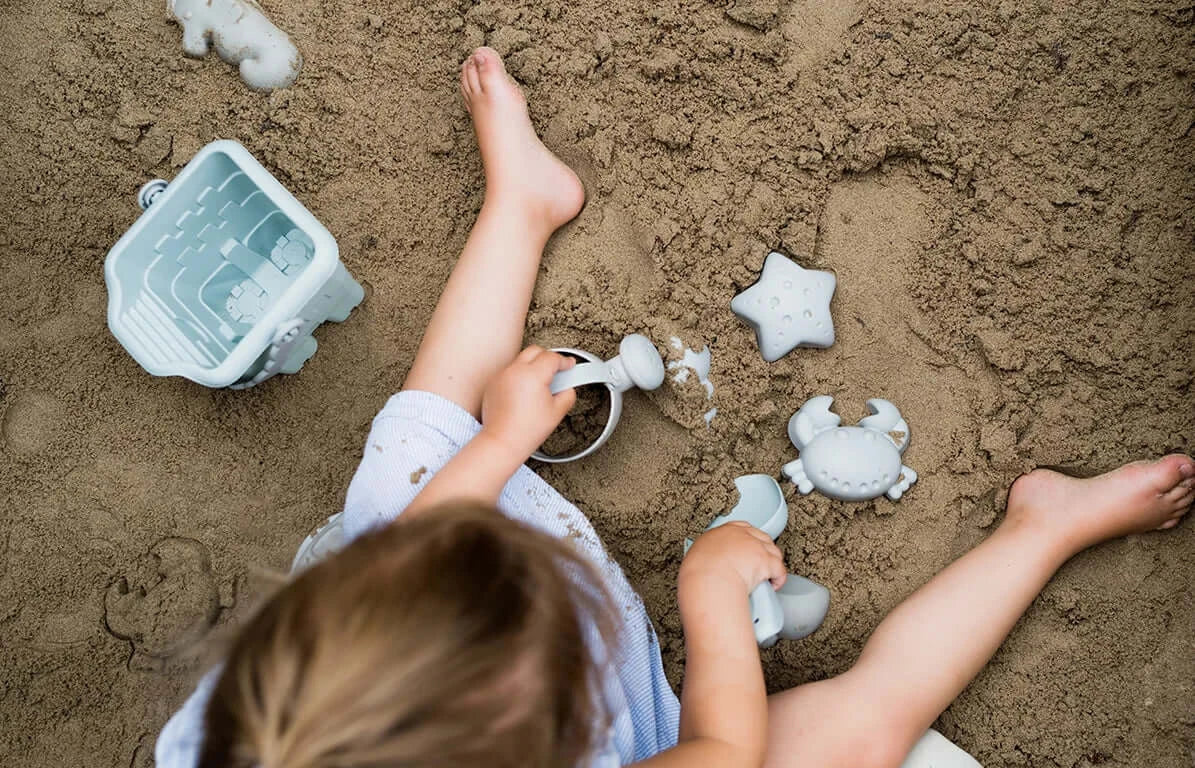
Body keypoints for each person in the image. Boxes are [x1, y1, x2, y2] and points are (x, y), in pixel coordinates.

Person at [155, 47, 1195, 768]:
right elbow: (721, 748)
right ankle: (1041, 529)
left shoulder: (293, 711)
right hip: (655, 739)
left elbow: (410, 551)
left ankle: (522, 208)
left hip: (420, 615)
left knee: (404, 470)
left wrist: (509, 434)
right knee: (858, 735)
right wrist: (710, 596)